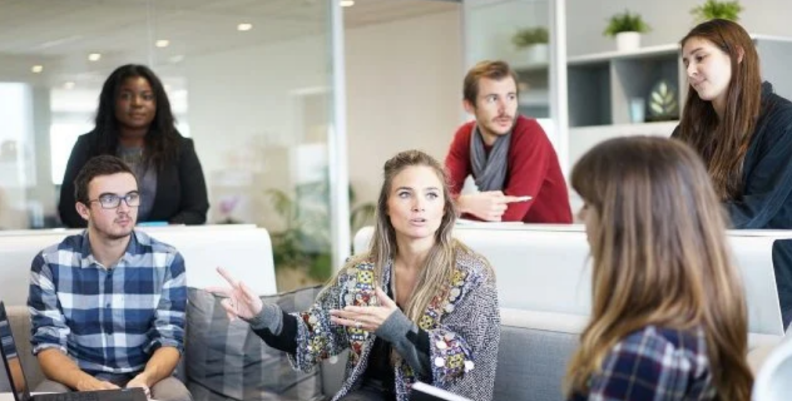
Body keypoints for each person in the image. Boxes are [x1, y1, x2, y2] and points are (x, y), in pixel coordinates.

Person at [210, 150, 500, 401]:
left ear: (444, 208)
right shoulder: (361, 272)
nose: (419, 205)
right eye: (404, 194)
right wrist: (260, 314)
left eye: (431, 195)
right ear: (387, 207)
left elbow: (459, 363)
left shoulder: (472, 275)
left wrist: (396, 328)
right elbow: (314, 335)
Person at [565, 137, 753, 400]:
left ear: (625, 223)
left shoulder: (644, 352)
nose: (580, 216)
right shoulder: (696, 323)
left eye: (588, 205)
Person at [29, 155, 190, 401]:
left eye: (131, 197)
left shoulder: (167, 260)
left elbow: (169, 340)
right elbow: (48, 346)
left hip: (146, 377)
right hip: (77, 379)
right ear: (84, 209)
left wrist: (142, 382)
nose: (124, 208)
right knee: (46, 396)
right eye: (109, 199)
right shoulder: (50, 263)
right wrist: (88, 384)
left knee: (175, 395)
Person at [672, 19, 792, 327]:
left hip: (771, 279)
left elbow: (754, 211)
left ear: (737, 54)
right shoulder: (689, 130)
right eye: (686, 62)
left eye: (700, 57)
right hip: (706, 272)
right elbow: (664, 194)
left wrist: (673, 219)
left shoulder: (783, 122)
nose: (690, 71)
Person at [59, 64, 209, 228]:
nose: (137, 103)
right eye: (126, 96)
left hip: (164, 246)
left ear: (158, 103)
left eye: (147, 96)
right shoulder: (87, 146)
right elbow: (69, 210)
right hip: (102, 247)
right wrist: (113, 232)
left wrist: (160, 233)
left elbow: (196, 210)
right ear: (111, 101)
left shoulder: (180, 148)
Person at [444, 60, 572, 223]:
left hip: (550, 239)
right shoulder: (465, 136)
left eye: (511, 97)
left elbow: (511, 214)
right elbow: (436, 197)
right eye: (492, 99)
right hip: (503, 238)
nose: (505, 108)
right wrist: (464, 203)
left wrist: (456, 206)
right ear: (469, 106)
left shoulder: (529, 133)